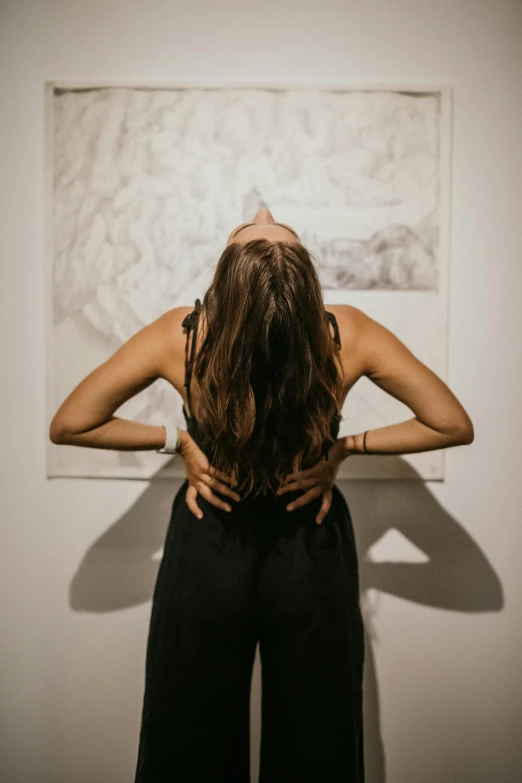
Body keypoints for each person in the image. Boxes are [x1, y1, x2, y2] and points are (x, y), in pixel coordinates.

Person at [49, 207, 474, 782]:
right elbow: (450, 423)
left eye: (259, 227)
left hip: (209, 539)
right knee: (319, 731)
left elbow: (71, 422)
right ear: (303, 285)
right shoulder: (347, 333)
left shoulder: (184, 335)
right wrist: (343, 449)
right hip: (310, 542)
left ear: (227, 280)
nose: (263, 210)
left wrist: (179, 442)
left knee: (187, 729)